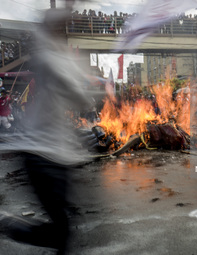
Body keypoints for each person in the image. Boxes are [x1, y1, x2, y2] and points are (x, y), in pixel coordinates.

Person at [0, 2, 92, 254]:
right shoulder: (46, 57)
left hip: (59, 157)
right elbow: (78, 93)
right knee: (61, 232)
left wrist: (70, 7)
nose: (64, 26)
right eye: (60, 24)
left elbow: (77, 88)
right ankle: (11, 227)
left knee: (63, 229)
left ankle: (13, 227)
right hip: (40, 156)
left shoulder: (58, 54)